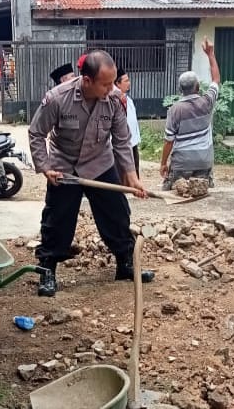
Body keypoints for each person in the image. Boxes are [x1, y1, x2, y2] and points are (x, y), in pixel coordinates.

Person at [28, 50, 155, 297]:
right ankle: (47, 270)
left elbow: (121, 141)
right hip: (64, 166)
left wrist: (131, 176)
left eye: (114, 82)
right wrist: (45, 168)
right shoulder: (57, 98)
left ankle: (126, 264)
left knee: (117, 214)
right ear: (87, 80)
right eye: (106, 84)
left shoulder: (116, 100)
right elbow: (36, 133)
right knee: (57, 220)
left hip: (100, 162)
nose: (112, 88)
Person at [160, 36, 220, 190]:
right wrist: (210, 54)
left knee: (170, 188)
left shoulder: (175, 110)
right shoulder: (207, 102)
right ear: (198, 87)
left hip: (182, 162)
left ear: (180, 90)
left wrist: (163, 164)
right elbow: (216, 80)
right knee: (201, 186)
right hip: (204, 160)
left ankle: (177, 182)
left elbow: (169, 141)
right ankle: (204, 180)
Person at [115, 67, 141, 176]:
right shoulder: (114, 101)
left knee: (134, 170)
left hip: (133, 142)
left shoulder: (128, 100)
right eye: (126, 81)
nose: (129, 83)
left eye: (128, 80)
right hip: (121, 144)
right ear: (117, 84)